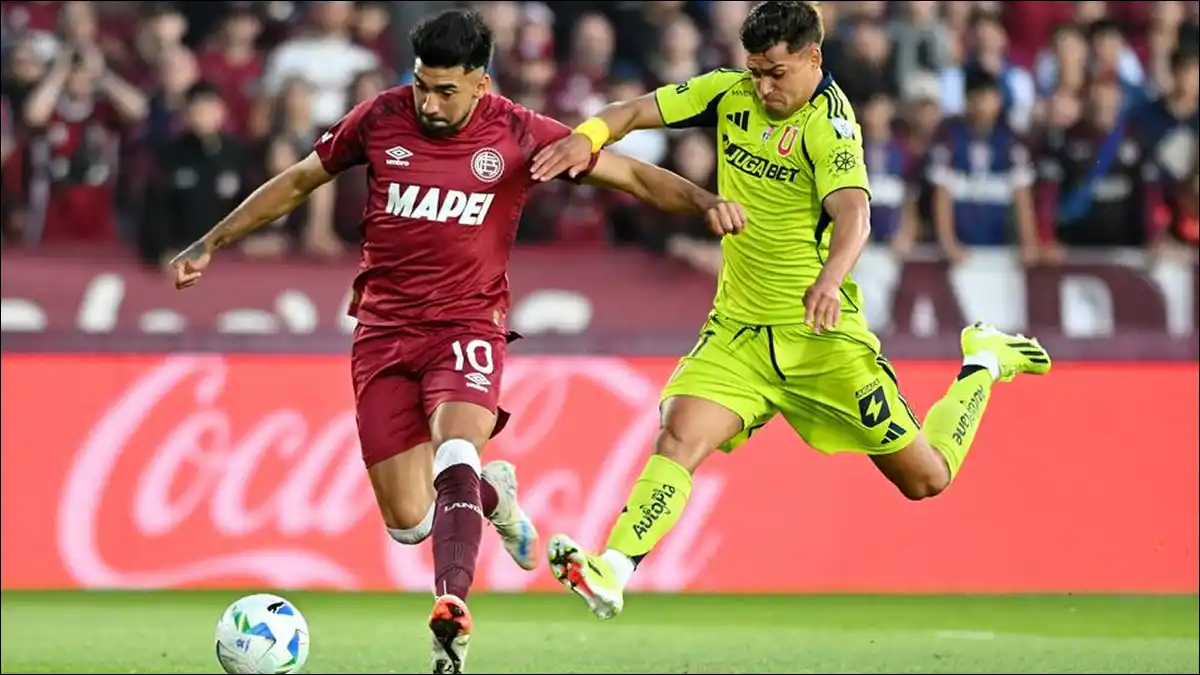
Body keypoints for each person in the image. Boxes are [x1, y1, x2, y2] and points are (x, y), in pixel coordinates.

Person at [168, 9, 745, 674]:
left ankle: (451, 608)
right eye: (422, 86)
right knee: (410, 519)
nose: (430, 103)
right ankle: (493, 496)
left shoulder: (520, 131)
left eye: (446, 90)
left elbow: (633, 175)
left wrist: (705, 203)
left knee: (457, 444)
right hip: (382, 331)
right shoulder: (380, 118)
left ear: (481, 82)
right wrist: (212, 241)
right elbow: (300, 179)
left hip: (469, 324)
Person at [531, 0, 1052, 621]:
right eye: (755, 71)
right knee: (678, 436)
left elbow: (855, 213)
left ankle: (984, 362)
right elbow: (632, 113)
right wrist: (585, 138)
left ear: (813, 58)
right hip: (739, 334)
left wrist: (831, 280)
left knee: (926, 479)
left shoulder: (830, 127)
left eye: (776, 73)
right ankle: (612, 570)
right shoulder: (729, 93)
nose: (763, 86)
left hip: (821, 340)